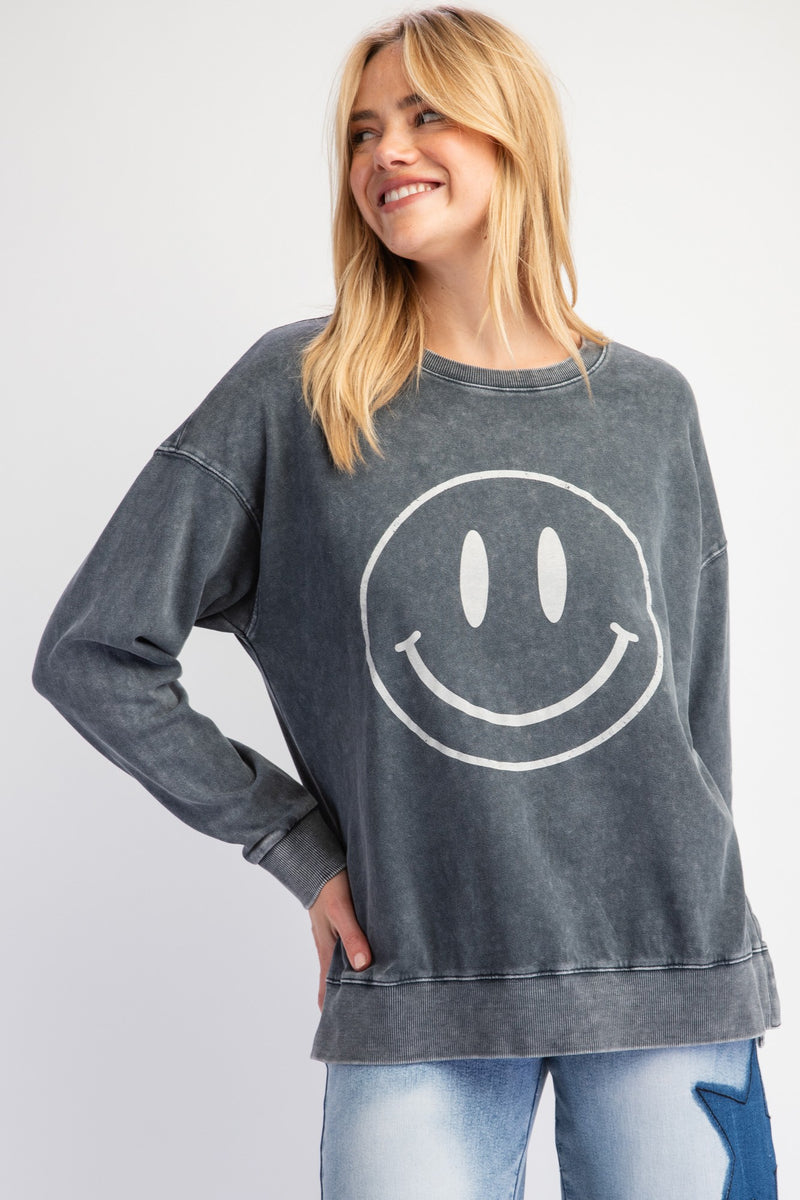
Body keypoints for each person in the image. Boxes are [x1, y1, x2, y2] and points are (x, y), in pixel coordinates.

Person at [32, 6, 781, 1197]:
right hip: (417, 978)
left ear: (511, 133)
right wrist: (295, 847)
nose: (385, 151)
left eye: (424, 114)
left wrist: (713, 944)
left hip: (671, 975)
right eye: (361, 130)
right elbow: (93, 652)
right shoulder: (300, 393)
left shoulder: (649, 408)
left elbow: (688, 715)